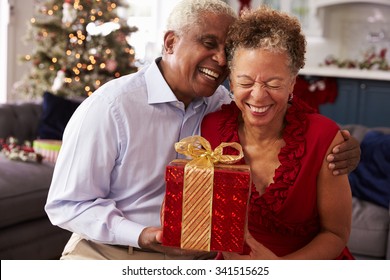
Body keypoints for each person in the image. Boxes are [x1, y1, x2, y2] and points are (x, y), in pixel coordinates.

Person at [45, 0, 359, 260]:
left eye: (227, 50)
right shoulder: (111, 107)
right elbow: (66, 205)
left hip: (194, 257)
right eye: (208, 43)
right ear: (170, 43)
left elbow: (286, 117)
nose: (221, 59)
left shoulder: (221, 104)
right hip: (110, 250)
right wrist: (143, 235)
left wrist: (347, 146)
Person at [201, 6, 354, 259]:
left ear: (293, 82)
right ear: (231, 81)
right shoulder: (211, 129)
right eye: (246, 82)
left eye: (273, 83)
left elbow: (336, 234)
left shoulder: (324, 137)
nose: (258, 96)